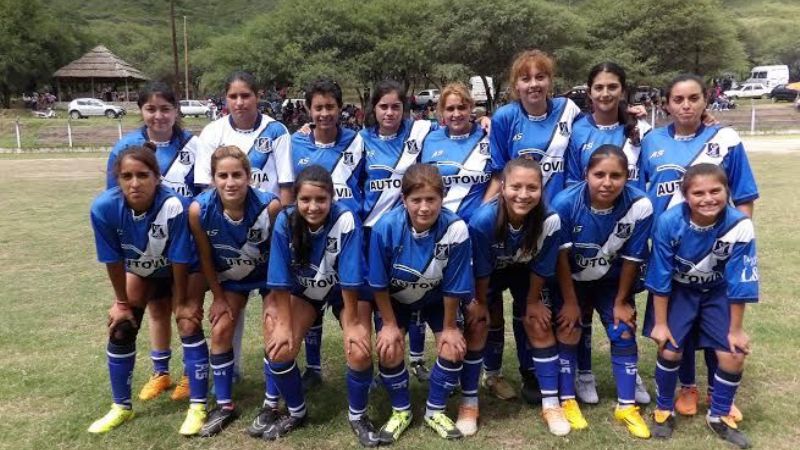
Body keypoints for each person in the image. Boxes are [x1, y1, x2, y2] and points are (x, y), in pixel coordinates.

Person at [640, 74, 758, 422]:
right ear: (666, 104)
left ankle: (714, 392)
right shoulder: (651, 141)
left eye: (694, 98)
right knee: (680, 329)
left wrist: (736, 237)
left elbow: (744, 197)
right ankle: (686, 388)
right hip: (670, 249)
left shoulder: (725, 138)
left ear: (706, 101)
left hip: (715, 251)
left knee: (714, 321)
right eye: (678, 99)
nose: (686, 105)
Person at [481, 49, 582, 403]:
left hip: (548, 228)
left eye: (541, 77)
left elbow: (603, 130)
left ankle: (533, 373)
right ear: (515, 84)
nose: (534, 84)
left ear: (551, 81)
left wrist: (631, 118)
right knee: (490, 306)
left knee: (534, 305)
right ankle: (491, 374)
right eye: (526, 78)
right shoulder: (506, 117)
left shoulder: (570, 113)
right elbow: (498, 173)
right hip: (510, 223)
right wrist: (485, 215)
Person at [644, 163, 758, 449]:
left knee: (733, 355)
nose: (708, 199)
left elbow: (739, 282)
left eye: (715, 191)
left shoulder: (739, 225)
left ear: (727, 191)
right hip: (680, 292)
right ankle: (664, 409)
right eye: (698, 193)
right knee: (670, 350)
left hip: (717, 293)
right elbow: (660, 275)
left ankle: (719, 415)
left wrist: (736, 330)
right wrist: (660, 323)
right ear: (685, 196)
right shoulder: (669, 221)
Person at [88, 147, 198, 434]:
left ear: (157, 177)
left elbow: (180, 258)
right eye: (127, 176)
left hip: (178, 268)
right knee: (121, 326)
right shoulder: (104, 208)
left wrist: (183, 300)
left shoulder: (175, 205)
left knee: (186, 320)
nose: (134, 183)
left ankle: (195, 397)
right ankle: (121, 407)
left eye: (142, 175)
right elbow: (113, 260)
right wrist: (121, 302)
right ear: (118, 179)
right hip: (141, 269)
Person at [105, 81, 203, 404]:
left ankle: (191, 375)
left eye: (165, 109)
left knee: (184, 308)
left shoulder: (193, 145)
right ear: (141, 111)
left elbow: (204, 196)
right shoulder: (126, 147)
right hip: (145, 247)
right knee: (156, 309)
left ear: (176, 110)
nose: (158, 116)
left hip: (183, 244)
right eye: (151, 109)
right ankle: (160, 372)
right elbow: (115, 199)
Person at [194, 71, 294, 386]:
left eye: (246, 95)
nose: (239, 102)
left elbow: (286, 185)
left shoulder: (276, 130)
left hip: (265, 226)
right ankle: (229, 376)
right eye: (233, 96)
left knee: (273, 320)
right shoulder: (212, 132)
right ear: (225, 99)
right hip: (228, 235)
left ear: (257, 96)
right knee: (225, 319)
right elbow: (205, 189)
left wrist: (283, 230)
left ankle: (274, 390)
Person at [263, 165, 373, 445]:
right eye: (305, 200)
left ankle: (358, 415)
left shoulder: (345, 218)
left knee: (358, 350)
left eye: (321, 200)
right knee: (280, 350)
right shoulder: (285, 221)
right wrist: (284, 326)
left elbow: (350, 278)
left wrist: (354, 325)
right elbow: (279, 278)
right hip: (304, 291)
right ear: (296, 199)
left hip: (344, 292)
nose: (313, 207)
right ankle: (297, 412)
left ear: (332, 198)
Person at [564, 62, 652, 405]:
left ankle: (631, 374)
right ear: (589, 91)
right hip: (587, 228)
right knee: (580, 313)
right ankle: (583, 374)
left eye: (612, 87)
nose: (605, 93)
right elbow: (573, 180)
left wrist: (706, 119)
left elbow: (650, 170)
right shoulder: (576, 129)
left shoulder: (641, 130)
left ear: (622, 90)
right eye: (598, 87)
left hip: (628, 225)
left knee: (621, 310)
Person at [552, 145, 653, 438]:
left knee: (623, 329)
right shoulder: (565, 202)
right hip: (572, 279)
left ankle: (626, 405)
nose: (607, 182)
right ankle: (568, 399)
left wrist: (622, 301)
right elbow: (560, 257)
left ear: (627, 177)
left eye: (615, 175)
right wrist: (570, 301)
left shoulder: (640, 205)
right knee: (570, 328)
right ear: (586, 175)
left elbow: (634, 257)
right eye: (599, 174)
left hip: (613, 281)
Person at [368, 164, 474, 442]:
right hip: (396, 301)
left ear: (443, 198)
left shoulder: (456, 229)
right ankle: (401, 410)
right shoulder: (386, 227)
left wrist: (450, 327)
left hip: (437, 300)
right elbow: (378, 284)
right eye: (416, 200)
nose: (424, 208)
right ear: (404, 200)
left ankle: (435, 410)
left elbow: (454, 285)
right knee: (389, 348)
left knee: (452, 347)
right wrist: (389, 324)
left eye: (431, 200)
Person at [187, 146, 282, 437]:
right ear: (213, 178)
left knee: (273, 330)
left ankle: (271, 404)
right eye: (223, 175)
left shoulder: (271, 206)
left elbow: (280, 256)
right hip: (231, 279)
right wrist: (217, 296)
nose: (230, 182)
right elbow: (205, 258)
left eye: (237, 175)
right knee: (220, 329)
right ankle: (225, 405)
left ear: (249, 177)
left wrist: (277, 299)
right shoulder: (199, 210)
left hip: (267, 277)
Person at [289, 79, 367, 391]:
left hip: (349, 239)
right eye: (318, 107)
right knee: (312, 298)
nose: (324, 113)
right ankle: (314, 367)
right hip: (309, 238)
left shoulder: (359, 141)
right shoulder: (295, 143)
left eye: (330, 107)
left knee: (355, 307)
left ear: (340, 108)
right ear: (309, 109)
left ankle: (365, 368)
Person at [465, 157, 550, 435]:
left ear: (541, 189)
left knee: (531, 316)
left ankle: (531, 375)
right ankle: (491, 376)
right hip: (490, 270)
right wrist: (479, 303)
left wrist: (534, 302)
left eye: (532, 188)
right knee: (487, 318)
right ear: (502, 187)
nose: (523, 195)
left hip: (523, 269)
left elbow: (541, 266)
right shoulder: (483, 220)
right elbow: (481, 271)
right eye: (516, 187)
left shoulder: (548, 219)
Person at [421, 82, 492, 223]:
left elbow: (499, 175)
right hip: (442, 224)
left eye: (462, 107)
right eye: (450, 109)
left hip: (479, 225)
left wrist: (483, 214)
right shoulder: (430, 138)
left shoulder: (488, 134)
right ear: (441, 111)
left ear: (471, 107)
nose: (456, 114)